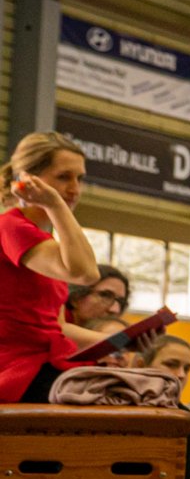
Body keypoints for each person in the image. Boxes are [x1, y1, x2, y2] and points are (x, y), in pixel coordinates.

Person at [0, 132, 110, 403]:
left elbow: (57, 327)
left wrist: (120, 341)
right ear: (27, 180)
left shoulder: (44, 242)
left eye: (80, 179)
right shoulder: (11, 227)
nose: (75, 188)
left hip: (44, 363)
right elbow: (86, 273)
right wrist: (55, 204)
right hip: (16, 368)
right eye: (64, 177)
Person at [64, 264, 130, 341]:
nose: (115, 310)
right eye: (105, 295)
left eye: (121, 301)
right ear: (76, 298)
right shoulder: (52, 323)